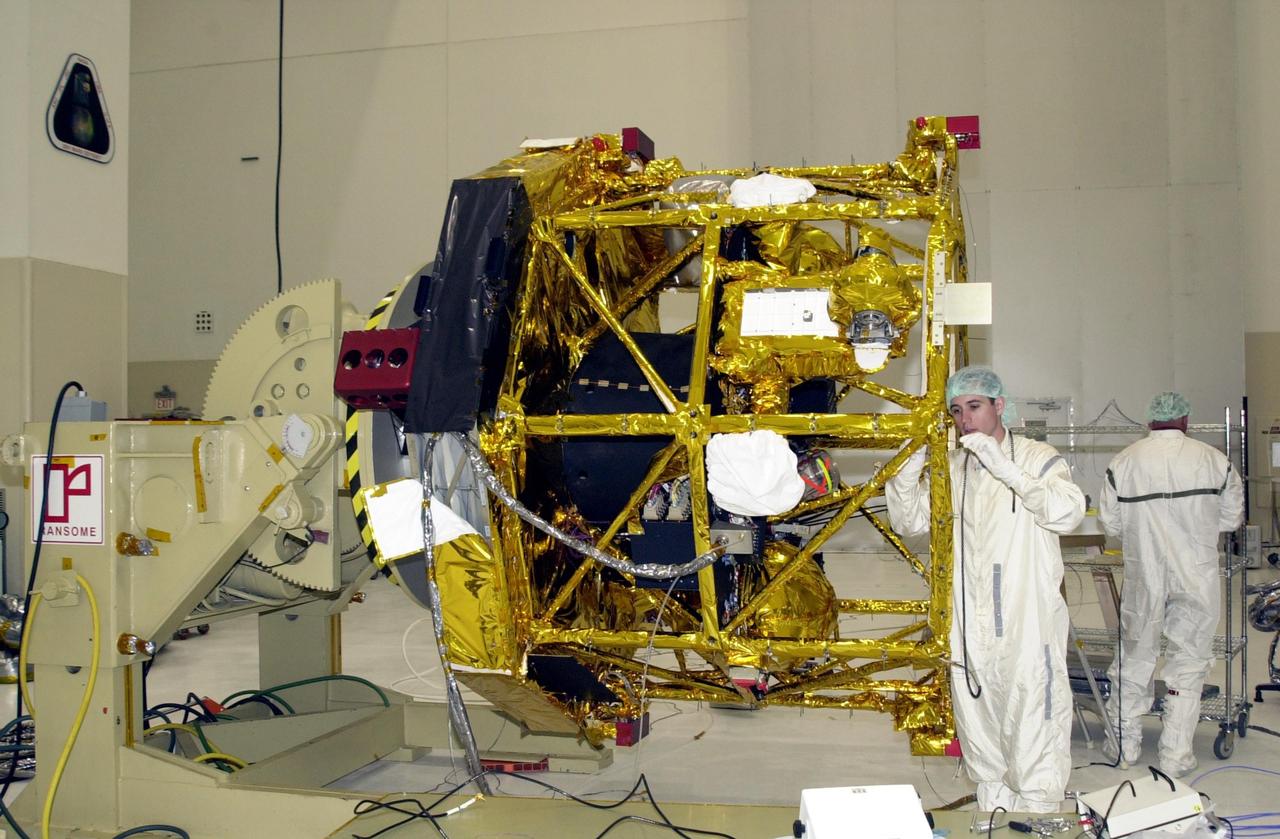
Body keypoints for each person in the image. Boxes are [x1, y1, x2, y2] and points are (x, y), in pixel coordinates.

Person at [886, 365, 1085, 813]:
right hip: (969, 631)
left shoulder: (1038, 457)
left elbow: (1067, 512)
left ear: (999, 406)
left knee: (1034, 729)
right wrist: (904, 475)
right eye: (956, 411)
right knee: (982, 741)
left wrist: (1007, 469)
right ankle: (991, 817)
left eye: (974, 407)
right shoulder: (955, 468)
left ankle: (1037, 816)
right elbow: (912, 523)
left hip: (1025, 628)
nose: (964, 420)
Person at [1098, 392, 1244, 777]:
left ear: (1149, 421)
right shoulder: (1215, 460)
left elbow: (1110, 525)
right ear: (1186, 421)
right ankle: (1176, 756)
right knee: (1189, 663)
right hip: (1197, 575)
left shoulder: (1125, 461)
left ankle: (1123, 746)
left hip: (1144, 575)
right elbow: (1230, 520)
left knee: (1135, 656)